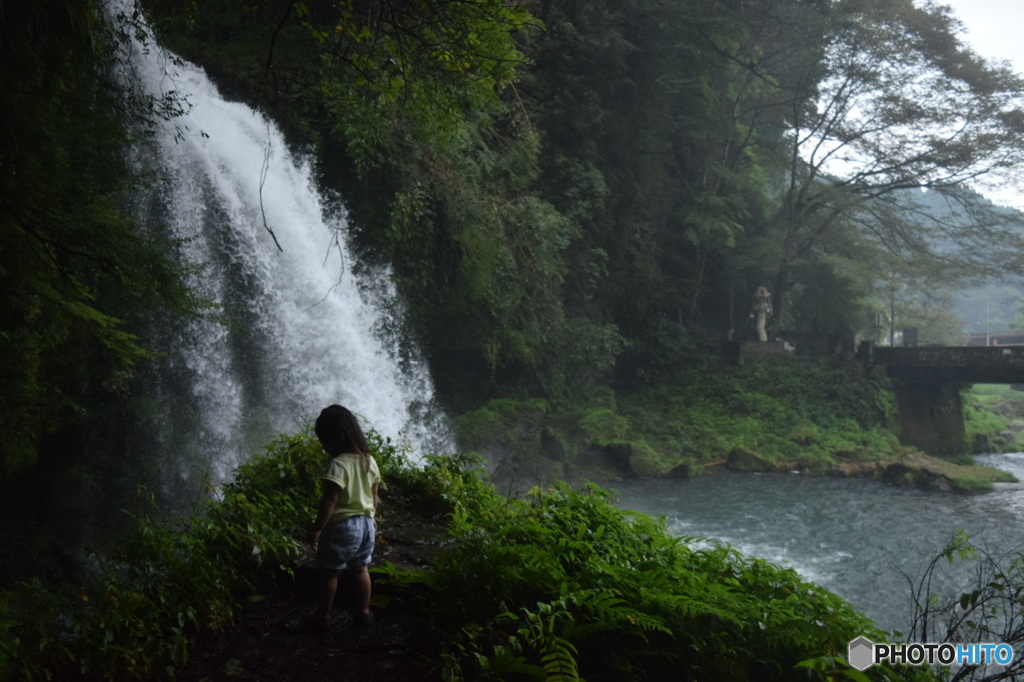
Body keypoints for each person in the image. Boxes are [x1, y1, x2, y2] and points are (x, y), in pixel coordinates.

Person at [302, 404, 381, 631]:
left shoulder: (338, 465)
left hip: (343, 525)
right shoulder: (369, 460)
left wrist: (317, 528)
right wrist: (372, 516)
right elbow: (374, 494)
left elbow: (330, 500)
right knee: (361, 569)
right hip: (367, 524)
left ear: (333, 438)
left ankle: (322, 616)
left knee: (331, 573)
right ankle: (364, 613)